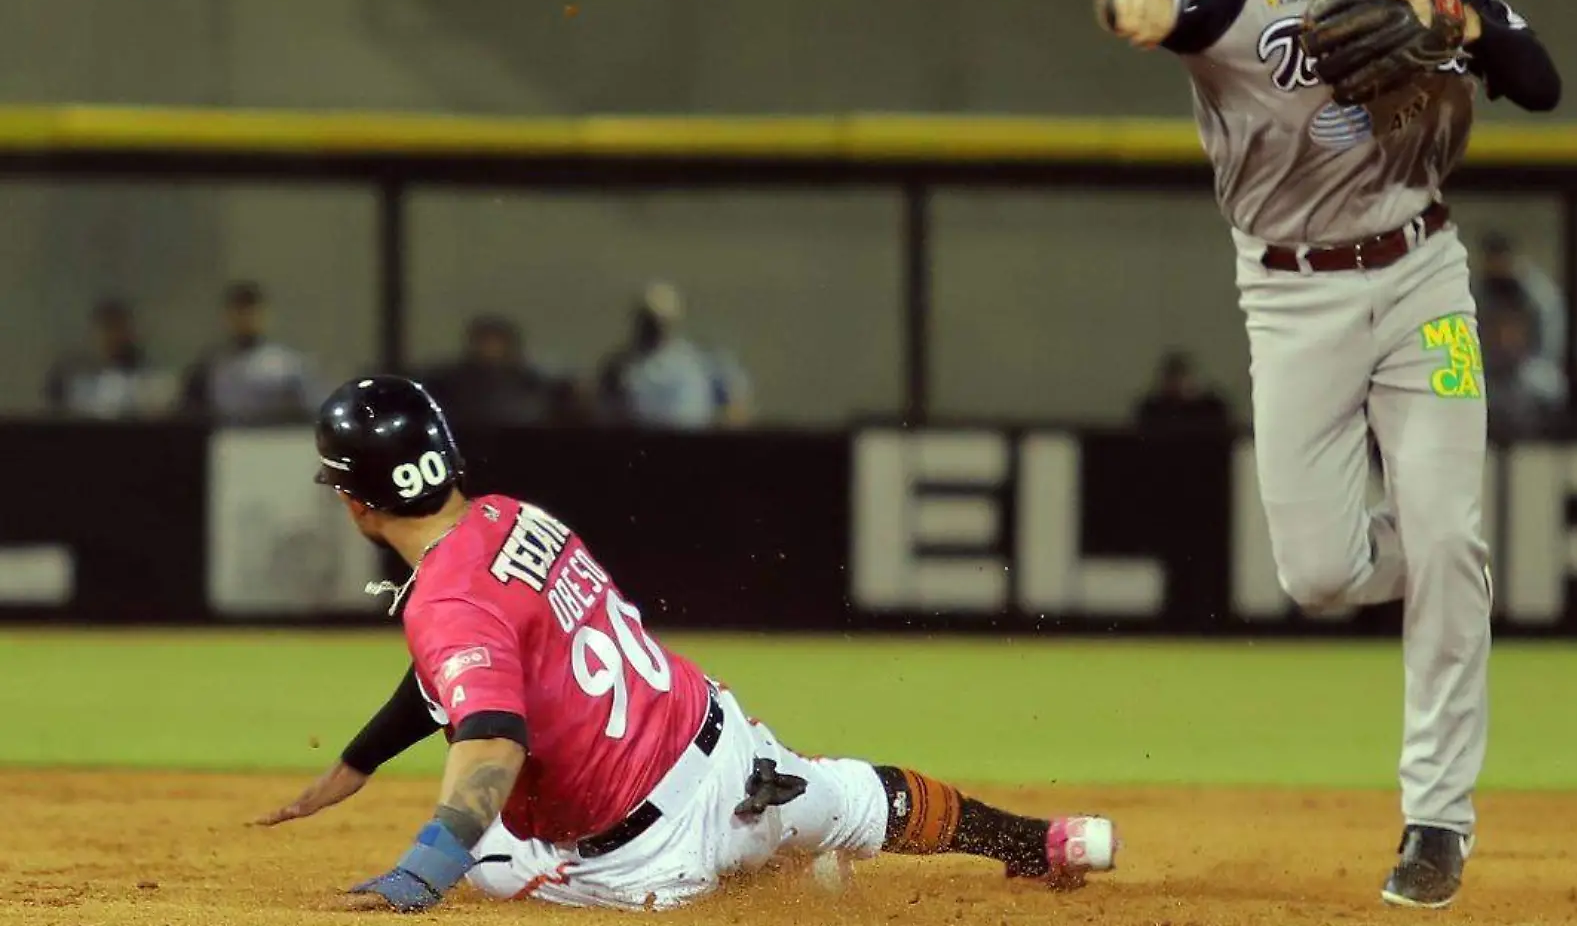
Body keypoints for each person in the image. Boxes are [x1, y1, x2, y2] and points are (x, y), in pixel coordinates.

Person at [1094, 0, 1559, 907]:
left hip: (1421, 276)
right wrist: (1136, 5)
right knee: (1318, 577)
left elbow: (1539, 80)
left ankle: (1435, 820)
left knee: (1444, 537)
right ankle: (1453, 561)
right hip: (1292, 297)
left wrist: (1457, 20)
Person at [257, 377, 1116, 912]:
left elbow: (491, 736)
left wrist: (421, 874)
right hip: (727, 748)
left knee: (484, 860)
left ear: (357, 502)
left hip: (651, 858)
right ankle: (1040, 844)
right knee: (866, 799)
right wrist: (362, 758)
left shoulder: (444, 602)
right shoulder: (511, 517)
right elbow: (468, 666)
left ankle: (755, 879)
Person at [597, 283, 752, 430]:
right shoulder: (619, 367)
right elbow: (603, 411)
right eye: (648, 320)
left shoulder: (702, 360)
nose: (654, 326)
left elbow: (737, 406)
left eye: (659, 320)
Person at [179, 281, 319, 424]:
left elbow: (311, 411)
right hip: (226, 440)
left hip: (276, 440)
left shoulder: (287, 366)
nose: (245, 318)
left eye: (251, 310)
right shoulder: (209, 367)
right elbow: (189, 413)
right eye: (239, 311)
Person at [418, 316, 562, 425]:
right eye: (486, 343)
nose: (491, 350)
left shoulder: (528, 382)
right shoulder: (449, 382)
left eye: (496, 344)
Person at [43, 298, 174, 418]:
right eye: (106, 328)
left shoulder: (148, 381)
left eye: (118, 329)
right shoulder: (70, 376)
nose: (113, 337)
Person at [1472, 232, 1565, 373]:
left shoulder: (1538, 292)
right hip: (1490, 367)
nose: (1495, 266)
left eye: (1499, 259)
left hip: (1532, 365)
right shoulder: (1480, 290)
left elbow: (1552, 335)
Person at [1479, 294, 1565, 436]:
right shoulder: (1478, 381)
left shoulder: (1546, 385)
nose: (1504, 338)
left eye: (1512, 329)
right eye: (1498, 328)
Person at [1133, 350, 1231, 432]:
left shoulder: (1211, 408)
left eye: (1181, 377)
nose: (1177, 384)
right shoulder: (1152, 410)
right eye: (1173, 378)